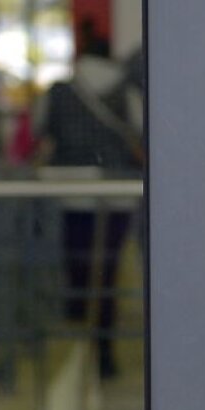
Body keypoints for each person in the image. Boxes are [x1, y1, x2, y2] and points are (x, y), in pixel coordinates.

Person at [35, 20, 143, 379]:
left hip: (71, 192)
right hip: (117, 194)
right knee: (106, 272)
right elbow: (144, 130)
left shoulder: (60, 90)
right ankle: (104, 349)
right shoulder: (126, 88)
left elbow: (38, 131)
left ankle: (78, 349)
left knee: (77, 268)